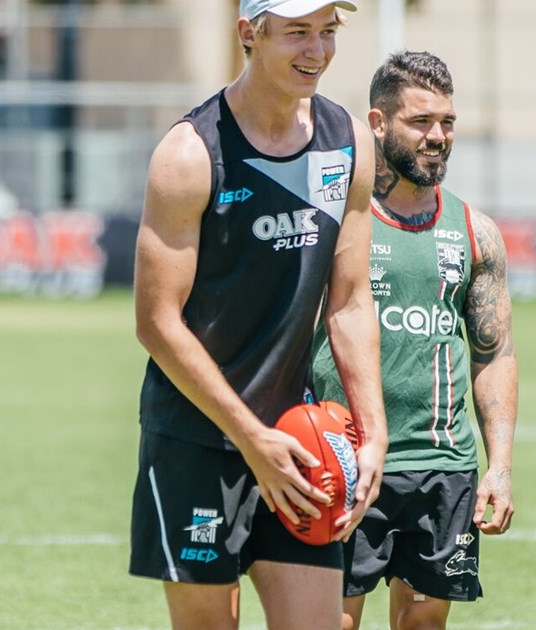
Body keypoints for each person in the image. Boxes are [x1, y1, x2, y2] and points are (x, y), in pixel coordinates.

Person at [128, 0, 387, 627]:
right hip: (196, 441)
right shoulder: (190, 154)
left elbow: (351, 301)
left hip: (300, 441)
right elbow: (157, 321)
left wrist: (373, 430)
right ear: (250, 33)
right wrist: (250, 438)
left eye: (327, 32)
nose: (316, 50)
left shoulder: (348, 141)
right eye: (297, 32)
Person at [308, 51, 518, 630]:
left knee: (423, 624)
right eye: (420, 121)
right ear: (378, 124)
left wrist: (499, 465)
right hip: (344, 459)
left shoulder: (475, 232)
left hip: (444, 466)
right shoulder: (333, 223)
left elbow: (494, 353)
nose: (438, 136)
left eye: (447, 122)